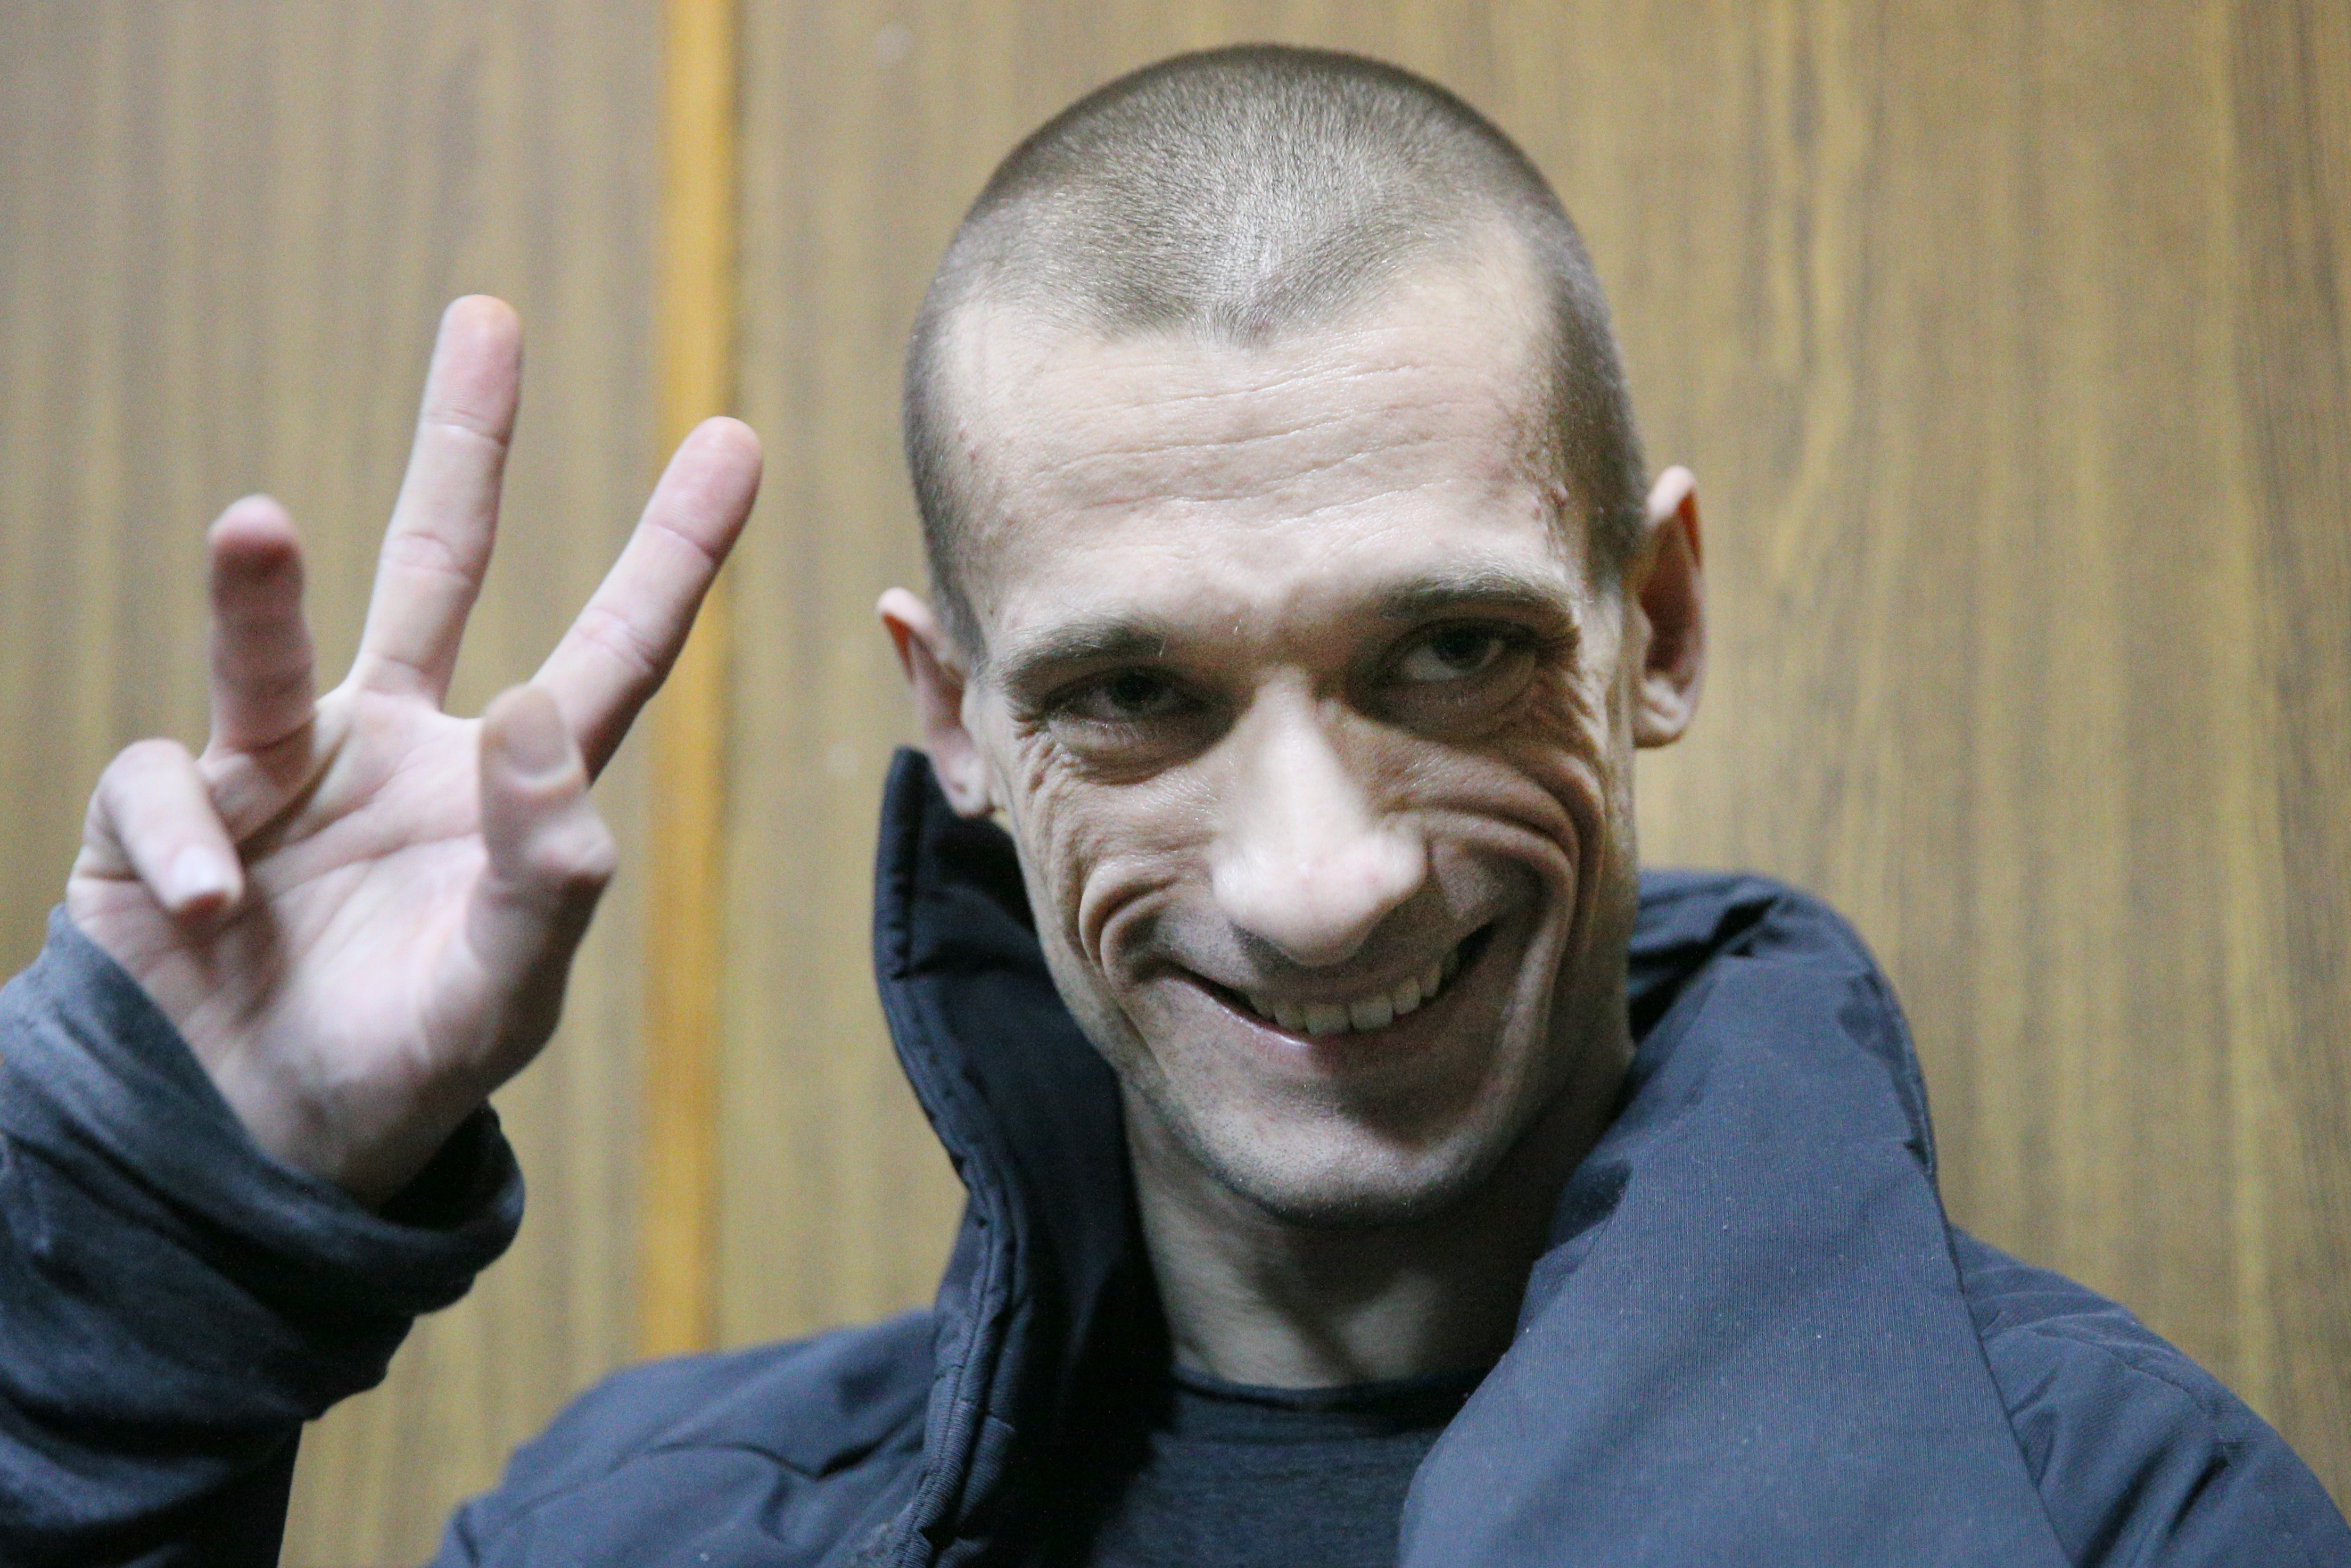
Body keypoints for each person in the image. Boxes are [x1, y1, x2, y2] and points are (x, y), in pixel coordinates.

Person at [1, 44, 2344, 1568]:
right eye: (1135, 692)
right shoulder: (650, 1532)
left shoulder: (2109, 1517)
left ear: (1656, 621)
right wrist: (143, 1232)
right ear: (956, 721)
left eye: (1452, 650)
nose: (1320, 883)